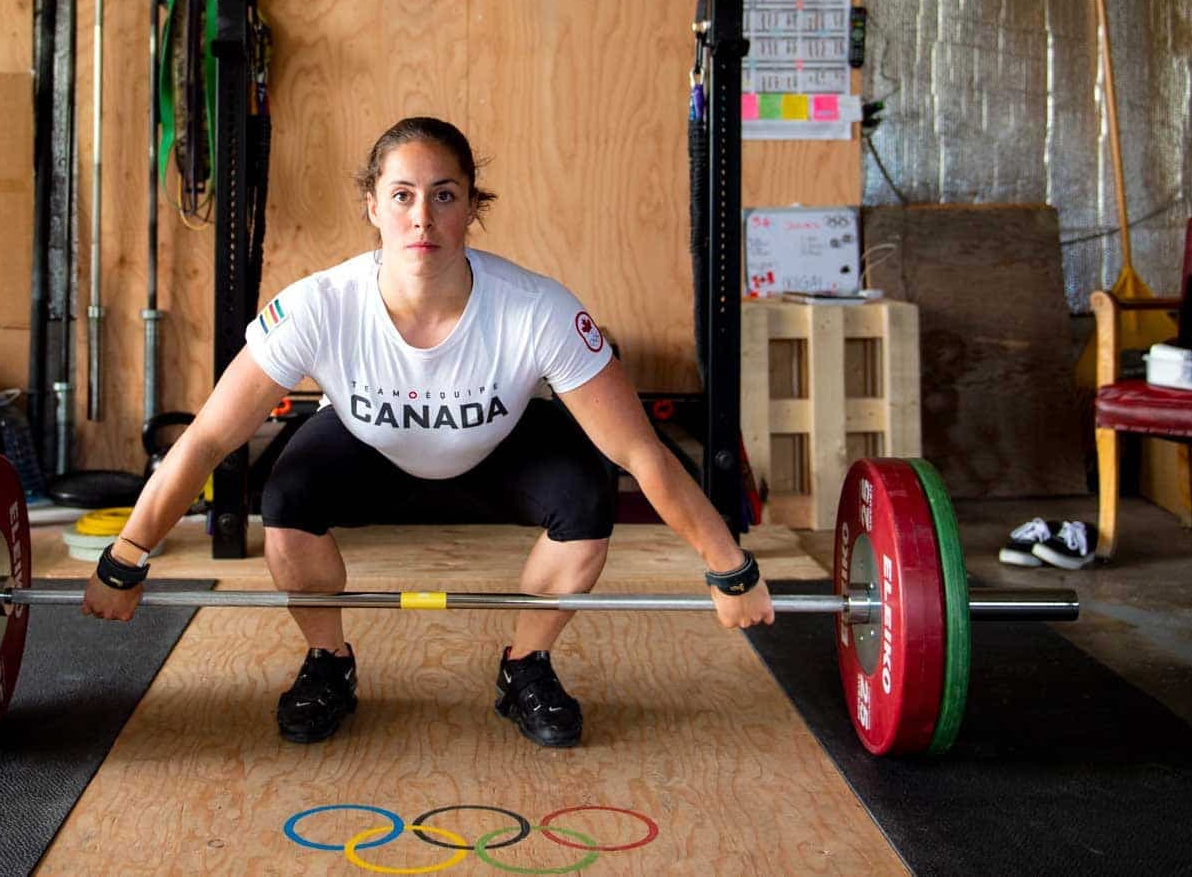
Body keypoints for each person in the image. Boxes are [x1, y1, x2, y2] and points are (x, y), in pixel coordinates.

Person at [83, 116, 773, 747]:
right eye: (404, 194)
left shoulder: (536, 309)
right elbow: (206, 438)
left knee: (588, 494)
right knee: (287, 497)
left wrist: (728, 565)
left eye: (444, 195)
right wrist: (130, 551)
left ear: (473, 207)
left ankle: (524, 668)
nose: (423, 216)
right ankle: (329, 662)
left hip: (498, 445)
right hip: (367, 444)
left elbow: (639, 451)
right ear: (373, 205)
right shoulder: (319, 307)